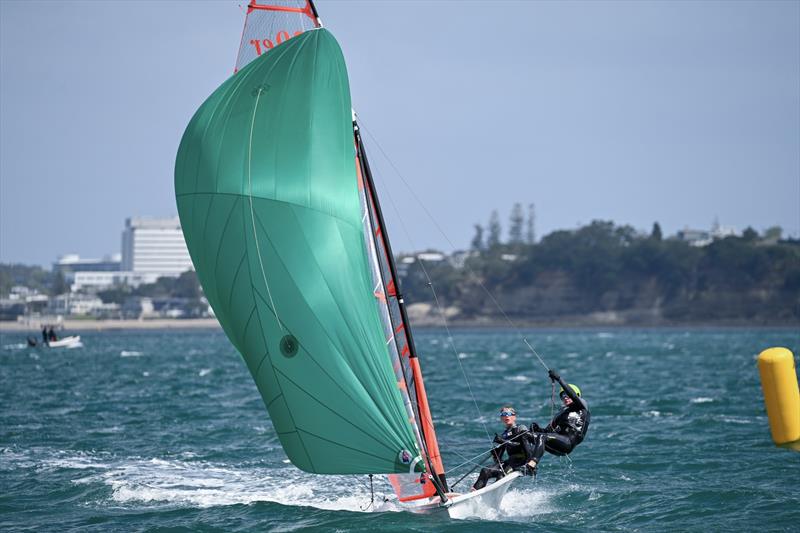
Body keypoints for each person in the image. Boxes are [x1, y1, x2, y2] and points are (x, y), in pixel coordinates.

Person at [526, 369, 591, 470]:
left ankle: (532, 465)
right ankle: (519, 463)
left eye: (567, 395)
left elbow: (573, 395)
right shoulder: (561, 414)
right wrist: (538, 429)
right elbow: (548, 432)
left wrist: (559, 379)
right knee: (526, 436)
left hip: (568, 443)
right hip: (558, 443)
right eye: (563, 396)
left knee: (542, 437)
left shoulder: (582, 407)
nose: (565, 397)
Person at [472, 406, 535, 491]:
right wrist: (495, 453)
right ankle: (474, 494)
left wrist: (503, 441)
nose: (506, 416)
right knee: (485, 470)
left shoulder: (521, 428)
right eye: (503, 414)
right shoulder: (504, 434)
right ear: (501, 418)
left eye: (508, 414)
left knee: (501, 474)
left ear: (514, 417)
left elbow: (521, 445)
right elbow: (498, 460)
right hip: (511, 461)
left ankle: (492, 496)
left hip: (522, 461)